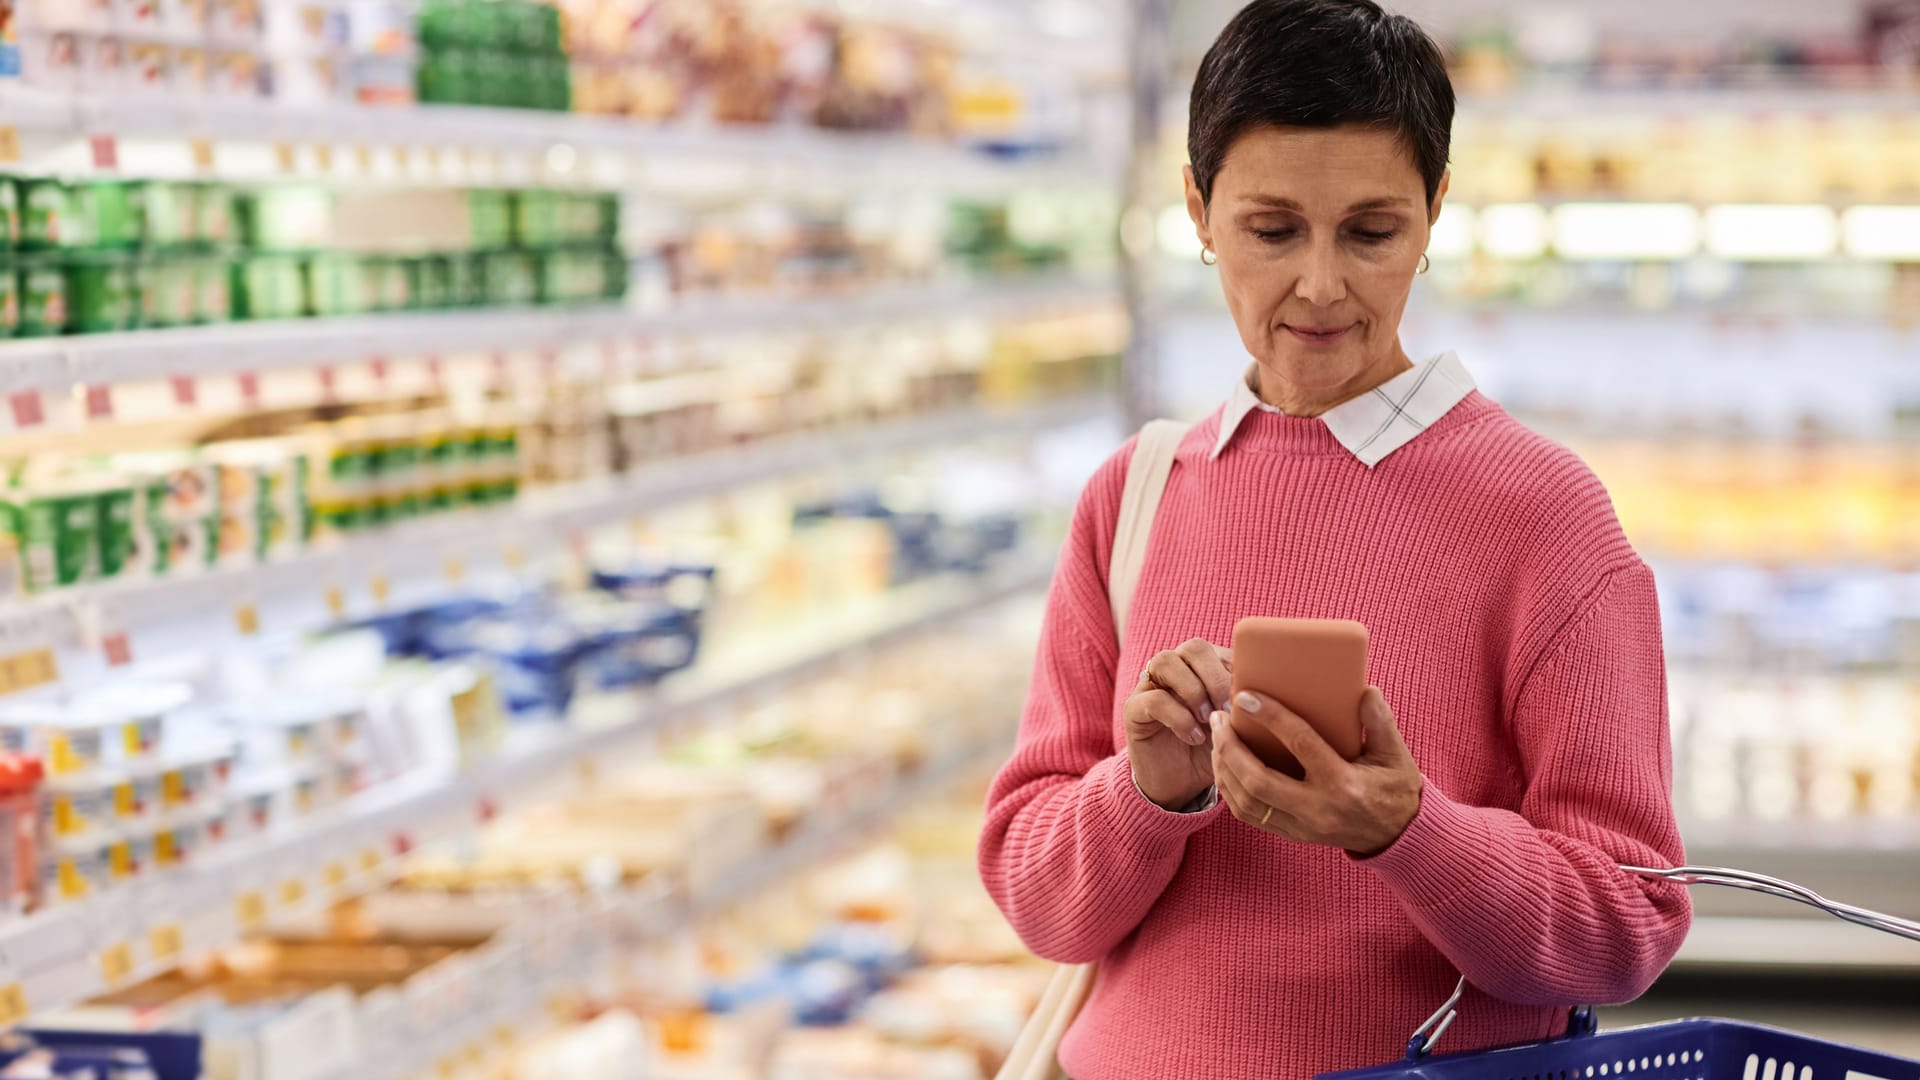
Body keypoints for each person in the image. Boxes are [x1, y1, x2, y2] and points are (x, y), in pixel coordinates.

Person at [975, 1, 1693, 1076]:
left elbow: (1628, 923)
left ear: (1435, 210)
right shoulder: (1134, 498)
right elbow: (1041, 906)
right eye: (1271, 230)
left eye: (1371, 231)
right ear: (1198, 210)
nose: (1319, 285)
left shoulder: (1545, 517)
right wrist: (1148, 792)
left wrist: (1409, 831)